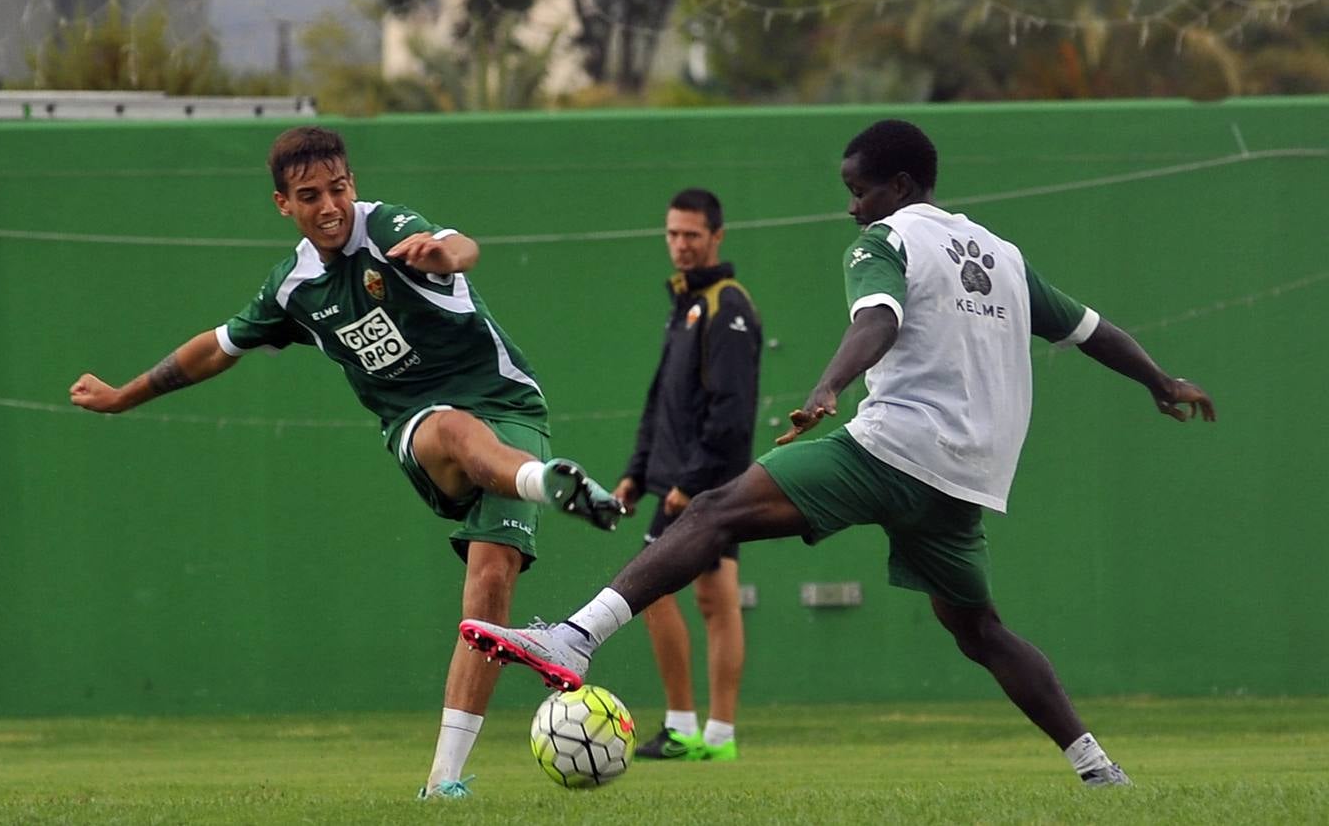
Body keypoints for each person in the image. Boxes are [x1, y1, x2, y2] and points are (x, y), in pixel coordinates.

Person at [459, 119, 1216, 787]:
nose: (851, 206)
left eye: (858, 190)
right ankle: (1096, 766)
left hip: (893, 450)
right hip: (968, 483)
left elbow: (877, 320)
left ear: (898, 185)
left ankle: (575, 637)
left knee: (717, 512)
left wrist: (827, 386)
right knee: (979, 630)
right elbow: (1093, 331)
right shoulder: (1001, 255)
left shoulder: (886, 241)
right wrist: (1160, 378)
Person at [69, 125, 624, 800]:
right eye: (309, 196)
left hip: (510, 407)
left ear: (353, 185)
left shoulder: (388, 226)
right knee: (452, 430)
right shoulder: (293, 288)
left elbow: (463, 247)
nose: (328, 206)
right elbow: (216, 347)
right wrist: (124, 396)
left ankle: (443, 783)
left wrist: (443, 253)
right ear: (283, 204)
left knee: (491, 584)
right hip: (422, 431)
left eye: (338, 188)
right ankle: (544, 483)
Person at [613, 188, 761, 763]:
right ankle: (717, 737)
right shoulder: (687, 303)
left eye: (692, 235)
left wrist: (689, 483)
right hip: (679, 480)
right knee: (715, 599)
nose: (680, 245)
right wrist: (635, 472)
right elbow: (663, 400)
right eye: (672, 234)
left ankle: (682, 726)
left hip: (707, 485)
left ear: (716, 236)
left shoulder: (729, 305)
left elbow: (731, 411)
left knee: (653, 591)